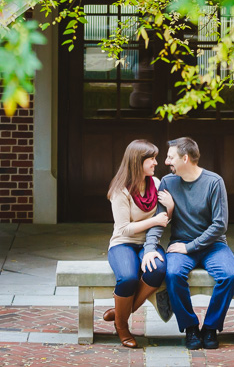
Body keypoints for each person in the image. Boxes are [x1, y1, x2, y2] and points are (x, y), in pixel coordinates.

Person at [141, 136, 234, 351]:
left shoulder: (214, 182)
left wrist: (190, 247)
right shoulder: (168, 182)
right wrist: (149, 248)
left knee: (230, 276)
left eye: (170, 157)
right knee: (173, 274)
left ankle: (211, 327)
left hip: (213, 245)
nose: (166, 162)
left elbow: (219, 225)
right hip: (180, 245)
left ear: (185, 158)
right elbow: (160, 220)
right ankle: (191, 327)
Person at [105, 139, 169, 348]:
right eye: (151, 159)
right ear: (136, 162)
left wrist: (170, 208)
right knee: (128, 277)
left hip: (148, 244)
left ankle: (121, 313)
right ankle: (122, 327)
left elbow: (163, 218)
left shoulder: (156, 183)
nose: (155, 163)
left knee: (157, 270)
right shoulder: (120, 190)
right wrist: (153, 221)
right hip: (123, 243)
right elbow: (123, 229)